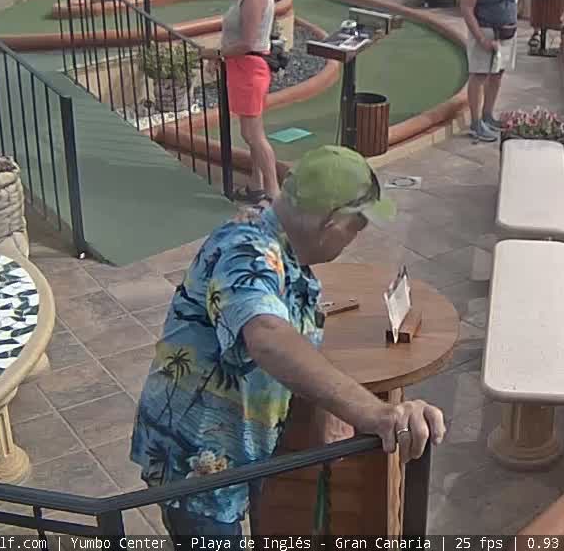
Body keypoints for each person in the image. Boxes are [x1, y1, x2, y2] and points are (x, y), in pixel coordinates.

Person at [130, 145, 447, 539]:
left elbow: (293, 335)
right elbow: (267, 336)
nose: (356, 238)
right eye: (358, 225)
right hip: (195, 463)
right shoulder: (244, 251)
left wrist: (326, 405)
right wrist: (375, 413)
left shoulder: (285, 251)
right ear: (332, 222)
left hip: (236, 455)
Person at [215, 0, 280, 202]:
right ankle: (257, 184)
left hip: (249, 67)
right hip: (246, 67)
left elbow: (248, 42)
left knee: (253, 133)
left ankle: (274, 193)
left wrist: (216, 54)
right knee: (251, 131)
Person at [459, 0, 519, 142]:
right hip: (485, 32)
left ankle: (488, 115)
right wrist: (481, 39)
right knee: (479, 76)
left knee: (498, 74)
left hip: (505, 33)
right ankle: (476, 123)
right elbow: (466, 8)